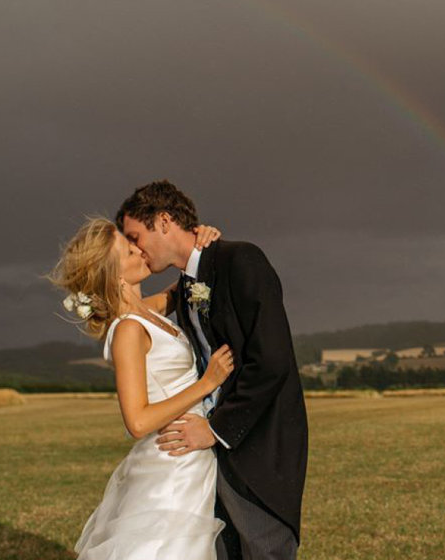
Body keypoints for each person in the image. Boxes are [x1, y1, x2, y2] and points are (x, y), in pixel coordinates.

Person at [115, 180, 309, 560]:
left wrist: (216, 429)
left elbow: (272, 361)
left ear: (165, 221)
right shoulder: (186, 285)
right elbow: (129, 314)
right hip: (204, 457)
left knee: (263, 550)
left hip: (256, 445)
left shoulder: (242, 261)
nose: (136, 248)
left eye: (136, 236)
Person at [49, 217, 232, 559]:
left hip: (192, 457)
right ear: (112, 273)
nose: (138, 248)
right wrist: (208, 383)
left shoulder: (147, 312)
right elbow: (137, 422)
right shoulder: (128, 331)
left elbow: (186, 285)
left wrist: (203, 242)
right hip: (171, 468)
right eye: (127, 248)